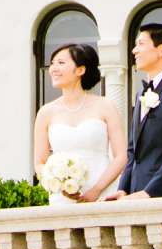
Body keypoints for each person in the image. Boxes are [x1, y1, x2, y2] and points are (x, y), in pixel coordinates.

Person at [32, 41, 128, 202]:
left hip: (102, 191)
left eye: (61, 63)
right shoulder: (46, 112)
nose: (53, 69)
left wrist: (96, 190)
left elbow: (121, 156)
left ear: (80, 70)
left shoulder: (105, 106)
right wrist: (58, 183)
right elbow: (40, 163)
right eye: (52, 64)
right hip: (63, 197)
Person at [110, 23, 162, 199]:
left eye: (140, 44)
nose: (134, 51)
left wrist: (149, 192)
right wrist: (123, 189)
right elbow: (133, 151)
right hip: (133, 196)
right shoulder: (141, 94)